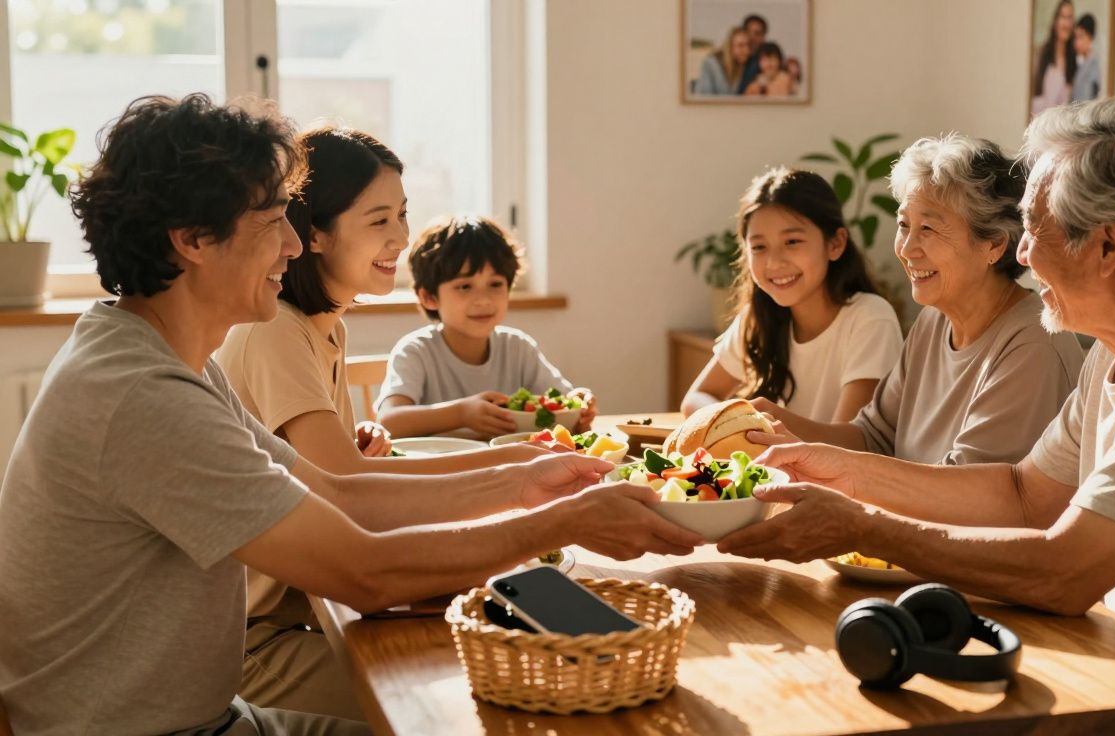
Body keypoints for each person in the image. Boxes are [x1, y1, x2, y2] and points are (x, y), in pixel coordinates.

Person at [0, 94, 702, 736]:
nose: (293, 244)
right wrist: (564, 521)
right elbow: (363, 572)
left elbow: (336, 490)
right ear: (192, 238)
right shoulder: (142, 396)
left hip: (212, 715)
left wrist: (525, 483)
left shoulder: (163, 356)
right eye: (274, 221)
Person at [719, 98, 1115, 734]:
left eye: (1033, 228)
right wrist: (840, 470)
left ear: (1107, 244)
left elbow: (1066, 573)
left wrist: (864, 528)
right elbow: (1025, 494)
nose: (1022, 254)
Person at [214, 126, 543, 720]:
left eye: (403, 215)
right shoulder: (275, 330)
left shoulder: (324, 327)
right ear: (313, 233)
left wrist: (525, 461)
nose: (401, 236)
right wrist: (523, 470)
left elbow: (335, 477)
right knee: (458, 700)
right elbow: (351, 496)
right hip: (252, 644)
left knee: (493, 655)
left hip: (309, 613)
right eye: (379, 220)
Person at [753, 135, 1083, 465]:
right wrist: (772, 423)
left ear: (994, 244)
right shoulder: (934, 320)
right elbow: (872, 437)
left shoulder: (1033, 346)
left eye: (928, 228)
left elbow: (971, 489)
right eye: (903, 224)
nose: (907, 249)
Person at [679, 168, 902, 424]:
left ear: (835, 244)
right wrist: (740, 421)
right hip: (778, 463)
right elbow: (698, 397)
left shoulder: (871, 318)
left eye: (792, 242)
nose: (774, 262)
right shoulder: (761, 317)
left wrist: (764, 423)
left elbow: (849, 442)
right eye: (759, 247)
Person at [375, 216, 595, 439]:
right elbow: (388, 421)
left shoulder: (518, 348)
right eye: (465, 286)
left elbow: (566, 402)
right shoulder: (415, 352)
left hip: (509, 467)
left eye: (495, 284)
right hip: (440, 469)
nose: (484, 300)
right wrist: (462, 413)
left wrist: (580, 406)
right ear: (429, 297)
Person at [1031, 0, 1075, 118]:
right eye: (1063, 17)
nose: (1066, 23)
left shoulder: (1073, 59)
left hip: (1062, 128)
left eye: (1070, 17)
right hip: (1040, 123)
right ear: (1055, 21)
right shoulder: (1042, 54)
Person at [693, 26, 751, 96]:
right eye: (740, 45)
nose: (747, 51)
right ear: (730, 47)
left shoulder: (744, 66)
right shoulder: (711, 64)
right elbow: (704, 98)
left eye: (748, 45)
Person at [734, 14, 770, 95]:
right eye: (748, 32)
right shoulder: (731, 59)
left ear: (763, 38)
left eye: (757, 33)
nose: (751, 37)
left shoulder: (763, 64)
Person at [1070, 14, 1100, 103]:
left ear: (1090, 37)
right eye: (1076, 37)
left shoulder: (1094, 64)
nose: (1077, 42)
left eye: (1081, 36)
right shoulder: (1080, 62)